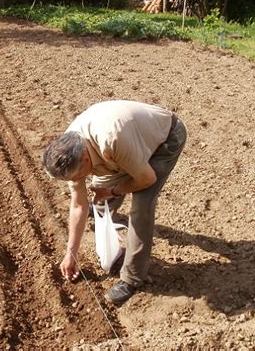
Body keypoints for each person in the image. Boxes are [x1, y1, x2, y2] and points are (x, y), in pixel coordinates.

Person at [41, 100, 187, 304]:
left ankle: (132, 278)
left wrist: (113, 191)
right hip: (125, 146)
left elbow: (147, 179)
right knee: (100, 202)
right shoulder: (68, 152)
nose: (75, 182)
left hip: (165, 140)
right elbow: (78, 205)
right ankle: (106, 215)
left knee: (141, 208)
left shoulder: (112, 141)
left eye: (76, 177)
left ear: (84, 159)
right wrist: (71, 254)